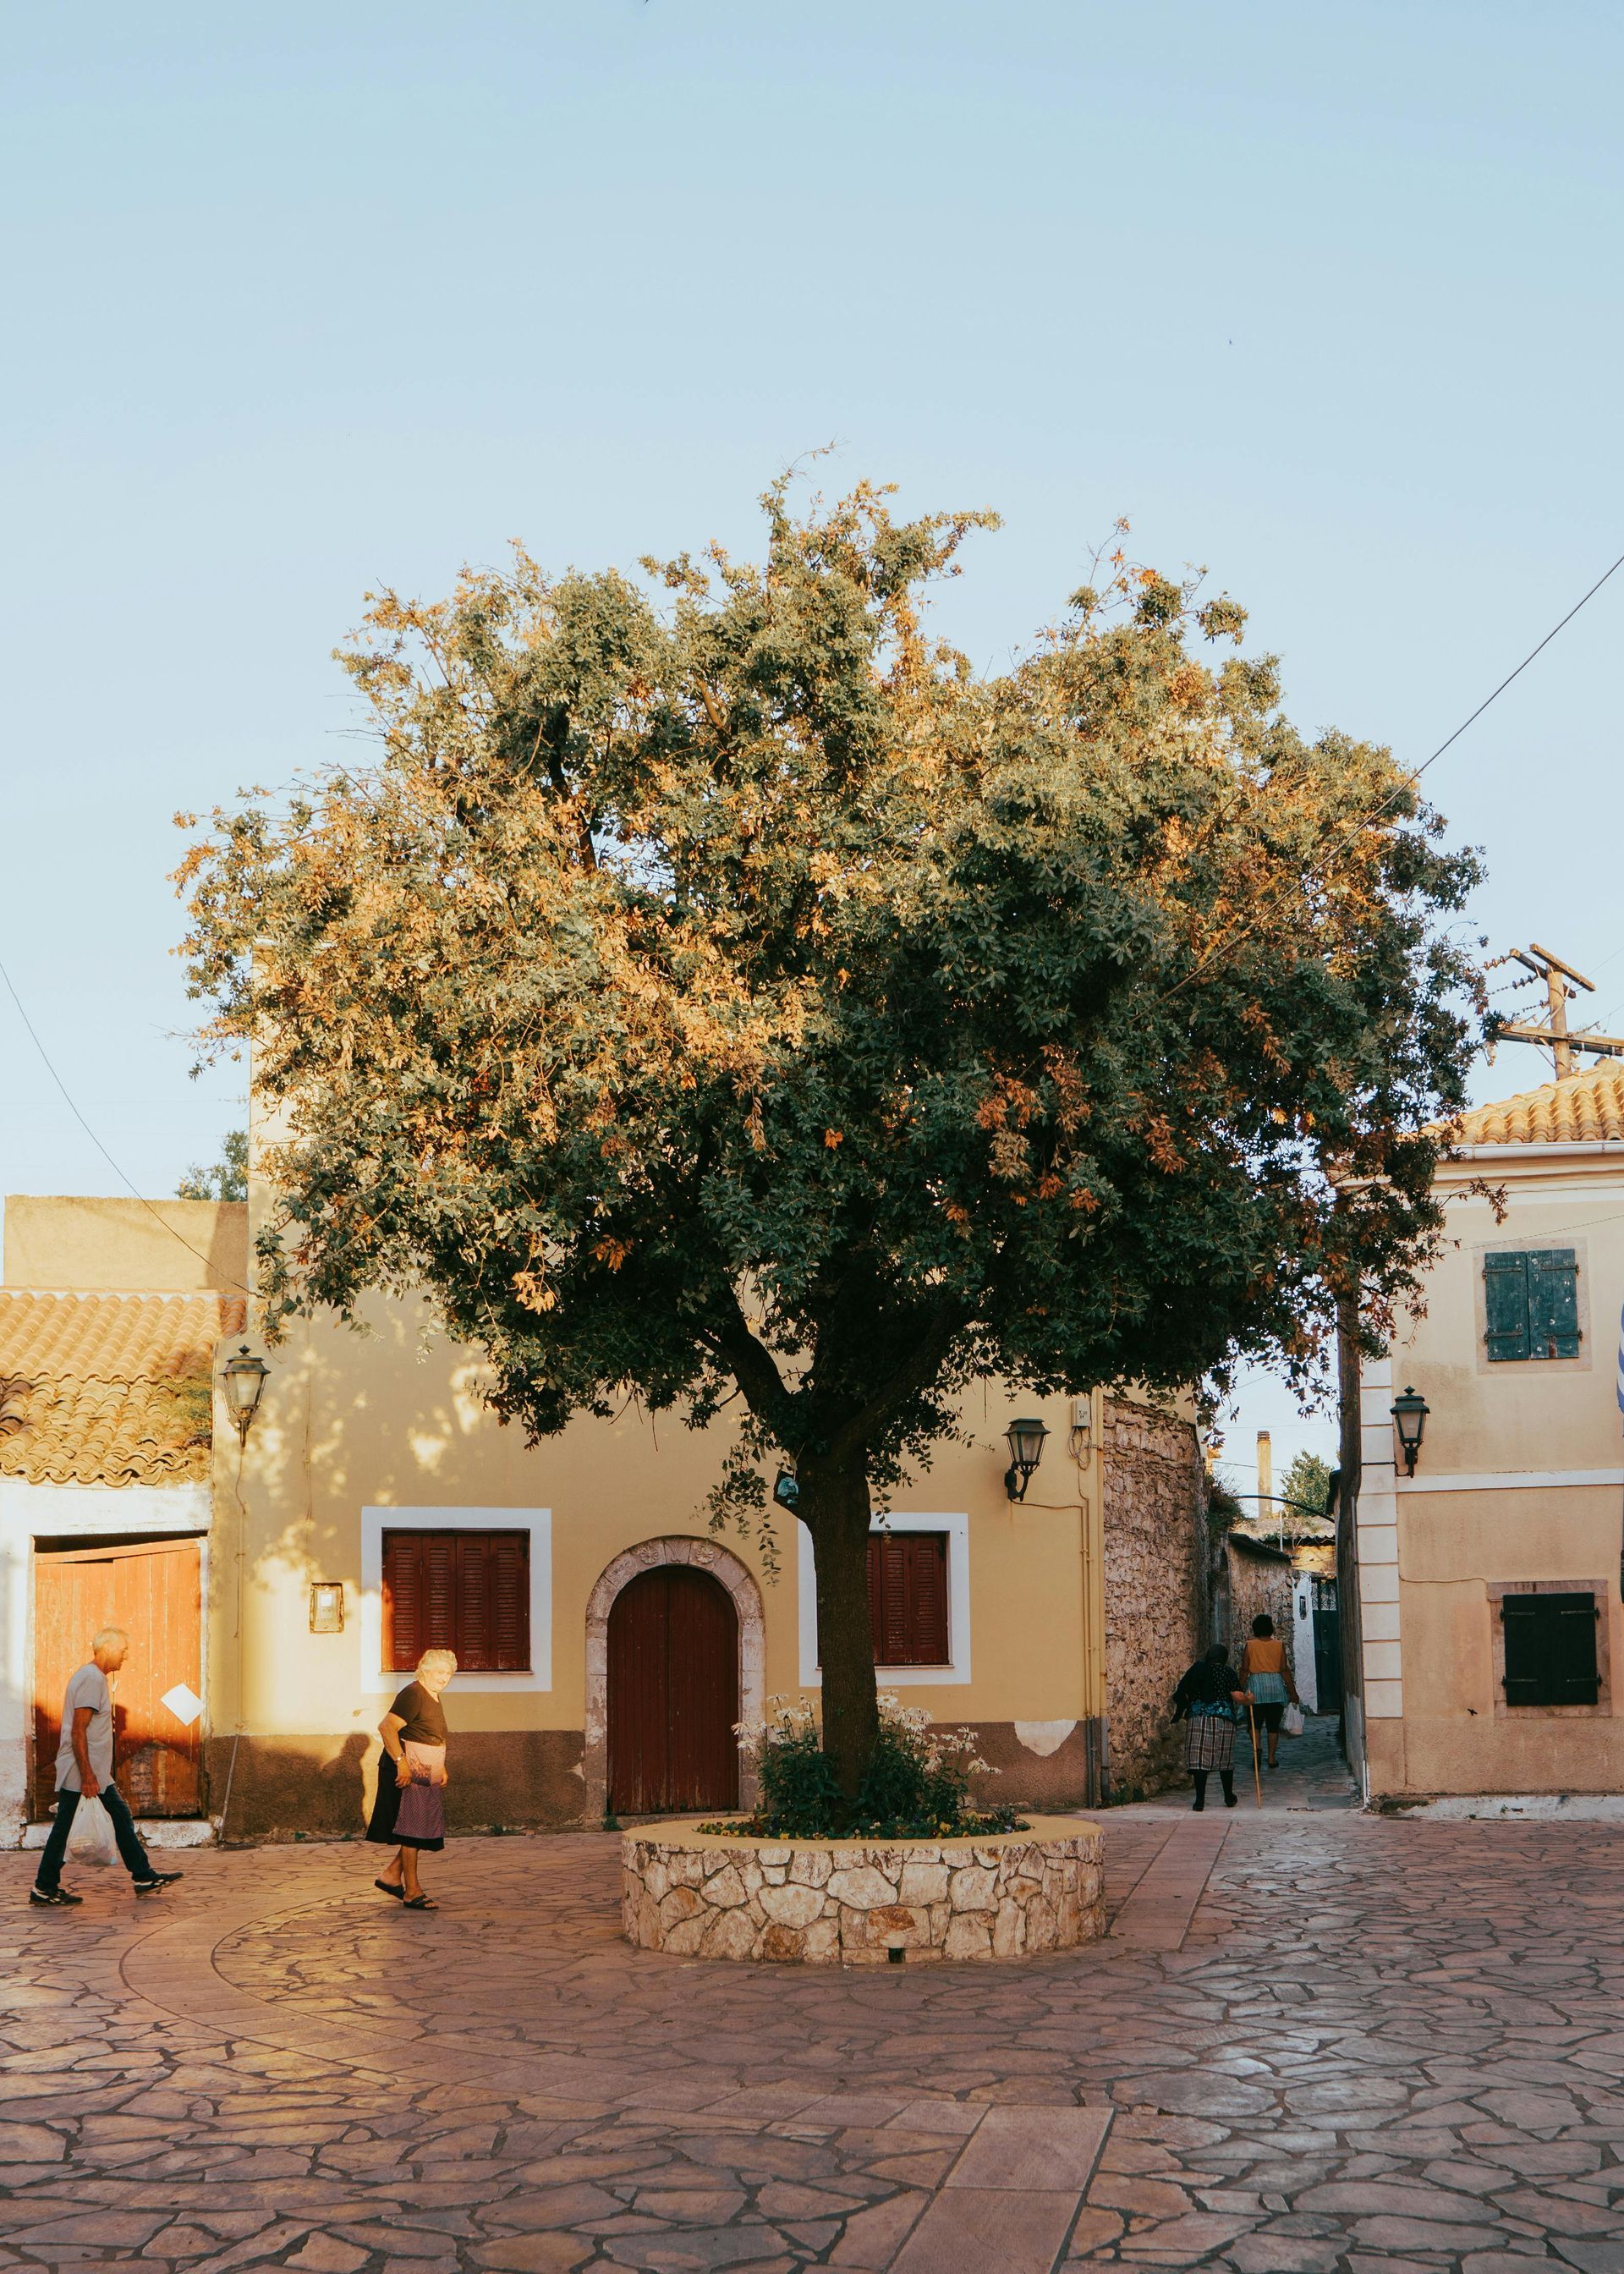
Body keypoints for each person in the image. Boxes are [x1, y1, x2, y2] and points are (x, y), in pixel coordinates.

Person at [30, 1629, 184, 1908]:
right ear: (108, 1648)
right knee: (65, 1827)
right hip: (84, 1770)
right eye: (123, 1650)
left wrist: (95, 1773)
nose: (126, 1656)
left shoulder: (93, 1677)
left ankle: (143, 1876)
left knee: (119, 1815)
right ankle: (44, 1886)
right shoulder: (92, 1679)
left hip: (94, 1770)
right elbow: (79, 1730)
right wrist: (88, 1775)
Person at [366, 1648, 456, 1909]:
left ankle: (392, 1875)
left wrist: (442, 1766)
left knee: (418, 1829)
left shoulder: (432, 1695)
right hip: (409, 1768)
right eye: (439, 1672)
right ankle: (412, 1891)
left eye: (449, 1673)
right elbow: (386, 1727)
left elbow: (428, 1733)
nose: (444, 1677)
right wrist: (401, 1764)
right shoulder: (413, 1693)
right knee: (411, 1829)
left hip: (426, 1770)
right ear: (425, 1671)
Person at [1171, 1645, 1248, 1810]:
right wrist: (1249, 1700)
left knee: (1199, 1759)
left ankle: (1199, 1801)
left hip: (1198, 1718)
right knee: (1224, 1758)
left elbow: (1183, 1691)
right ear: (1224, 1658)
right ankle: (1229, 1797)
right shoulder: (1227, 1673)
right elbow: (1237, 1696)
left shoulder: (1197, 1669)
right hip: (1223, 1718)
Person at [1238, 1613, 1299, 1770]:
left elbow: (1245, 1669)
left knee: (1254, 1723)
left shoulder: (1250, 1645)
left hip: (1256, 1688)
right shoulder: (1278, 1645)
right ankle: (1272, 1758)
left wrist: (1239, 1688)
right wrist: (1293, 1692)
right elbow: (1284, 1670)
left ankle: (1257, 1748)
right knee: (1273, 1725)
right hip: (1275, 1688)